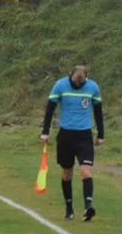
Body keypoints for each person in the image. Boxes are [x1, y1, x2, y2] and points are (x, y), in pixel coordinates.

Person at [40, 66, 104, 222]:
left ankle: (88, 207)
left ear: (86, 77)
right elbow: (50, 108)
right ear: (70, 75)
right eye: (76, 80)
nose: (78, 83)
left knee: (86, 171)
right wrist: (45, 131)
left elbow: (98, 111)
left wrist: (101, 134)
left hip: (84, 136)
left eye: (81, 81)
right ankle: (69, 208)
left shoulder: (93, 87)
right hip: (66, 136)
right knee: (66, 174)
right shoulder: (60, 85)